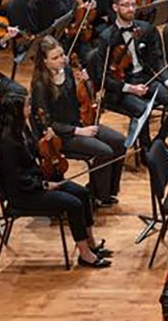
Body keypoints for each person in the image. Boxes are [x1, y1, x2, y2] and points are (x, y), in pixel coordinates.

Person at [0, 93, 112, 268]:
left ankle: (91, 244)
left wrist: (47, 142)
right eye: (26, 106)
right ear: (14, 112)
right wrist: (46, 185)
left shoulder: (22, 129)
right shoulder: (7, 141)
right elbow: (17, 178)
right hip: (24, 193)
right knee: (74, 204)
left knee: (83, 193)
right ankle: (85, 255)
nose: (29, 109)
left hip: (36, 181)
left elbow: (34, 151)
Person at [30, 36, 127, 206]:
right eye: (55, 58)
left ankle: (106, 192)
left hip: (80, 122)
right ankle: (97, 195)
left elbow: (79, 100)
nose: (61, 60)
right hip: (62, 136)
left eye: (62, 55)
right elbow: (47, 123)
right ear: (45, 61)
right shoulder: (40, 85)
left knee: (119, 141)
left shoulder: (67, 71)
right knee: (104, 151)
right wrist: (78, 131)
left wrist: (86, 84)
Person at [94, 0, 168, 150]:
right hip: (122, 87)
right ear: (115, 8)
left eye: (133, 4)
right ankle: (146, 150)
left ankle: (160, 141)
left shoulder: (146, 29)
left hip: (146, 78)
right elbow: (102, 77)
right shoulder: (106, 38)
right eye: (125, 5)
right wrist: (130, 88)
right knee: (143, 110)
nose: (130, 9)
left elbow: (158, 60)